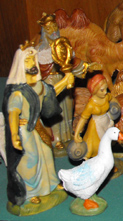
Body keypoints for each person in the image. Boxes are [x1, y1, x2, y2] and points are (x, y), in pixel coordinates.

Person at [2, 42, 74, 210]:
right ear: (20, 65)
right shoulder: (17, 92)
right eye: (28, 61)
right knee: (31, 159)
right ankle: (30, 192)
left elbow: (50, 93)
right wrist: (14, 135)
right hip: (23, 129)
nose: (32, 64)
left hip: (37, 125)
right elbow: (13, 113)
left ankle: (50, 184)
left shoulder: (38, 85)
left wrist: (65, 81)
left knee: (47, 154)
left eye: (33, 60)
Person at [35, 12, 95, 148]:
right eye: (49, 28)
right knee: (53, 109)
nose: (53, 30)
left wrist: (87, 66)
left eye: (54, 27)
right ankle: (56, 138)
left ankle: (67, 134)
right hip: (50, 81)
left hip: (64, 77)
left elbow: (73, 62)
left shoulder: (63, 45)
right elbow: (38, 69)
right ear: (44, 30)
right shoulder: (40, 50)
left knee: (67, 106)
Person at [72, 74, 117, 159]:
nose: (105, 92)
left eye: (106, 89)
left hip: (107, 121)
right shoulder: (91, 105)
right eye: (102, 90)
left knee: (109, 141)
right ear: (95, 90)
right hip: (97, 125)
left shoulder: (106, 97)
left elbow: (113, 99)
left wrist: (117, 106)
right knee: (101, 144)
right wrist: (76, 133)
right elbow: (83, 119)